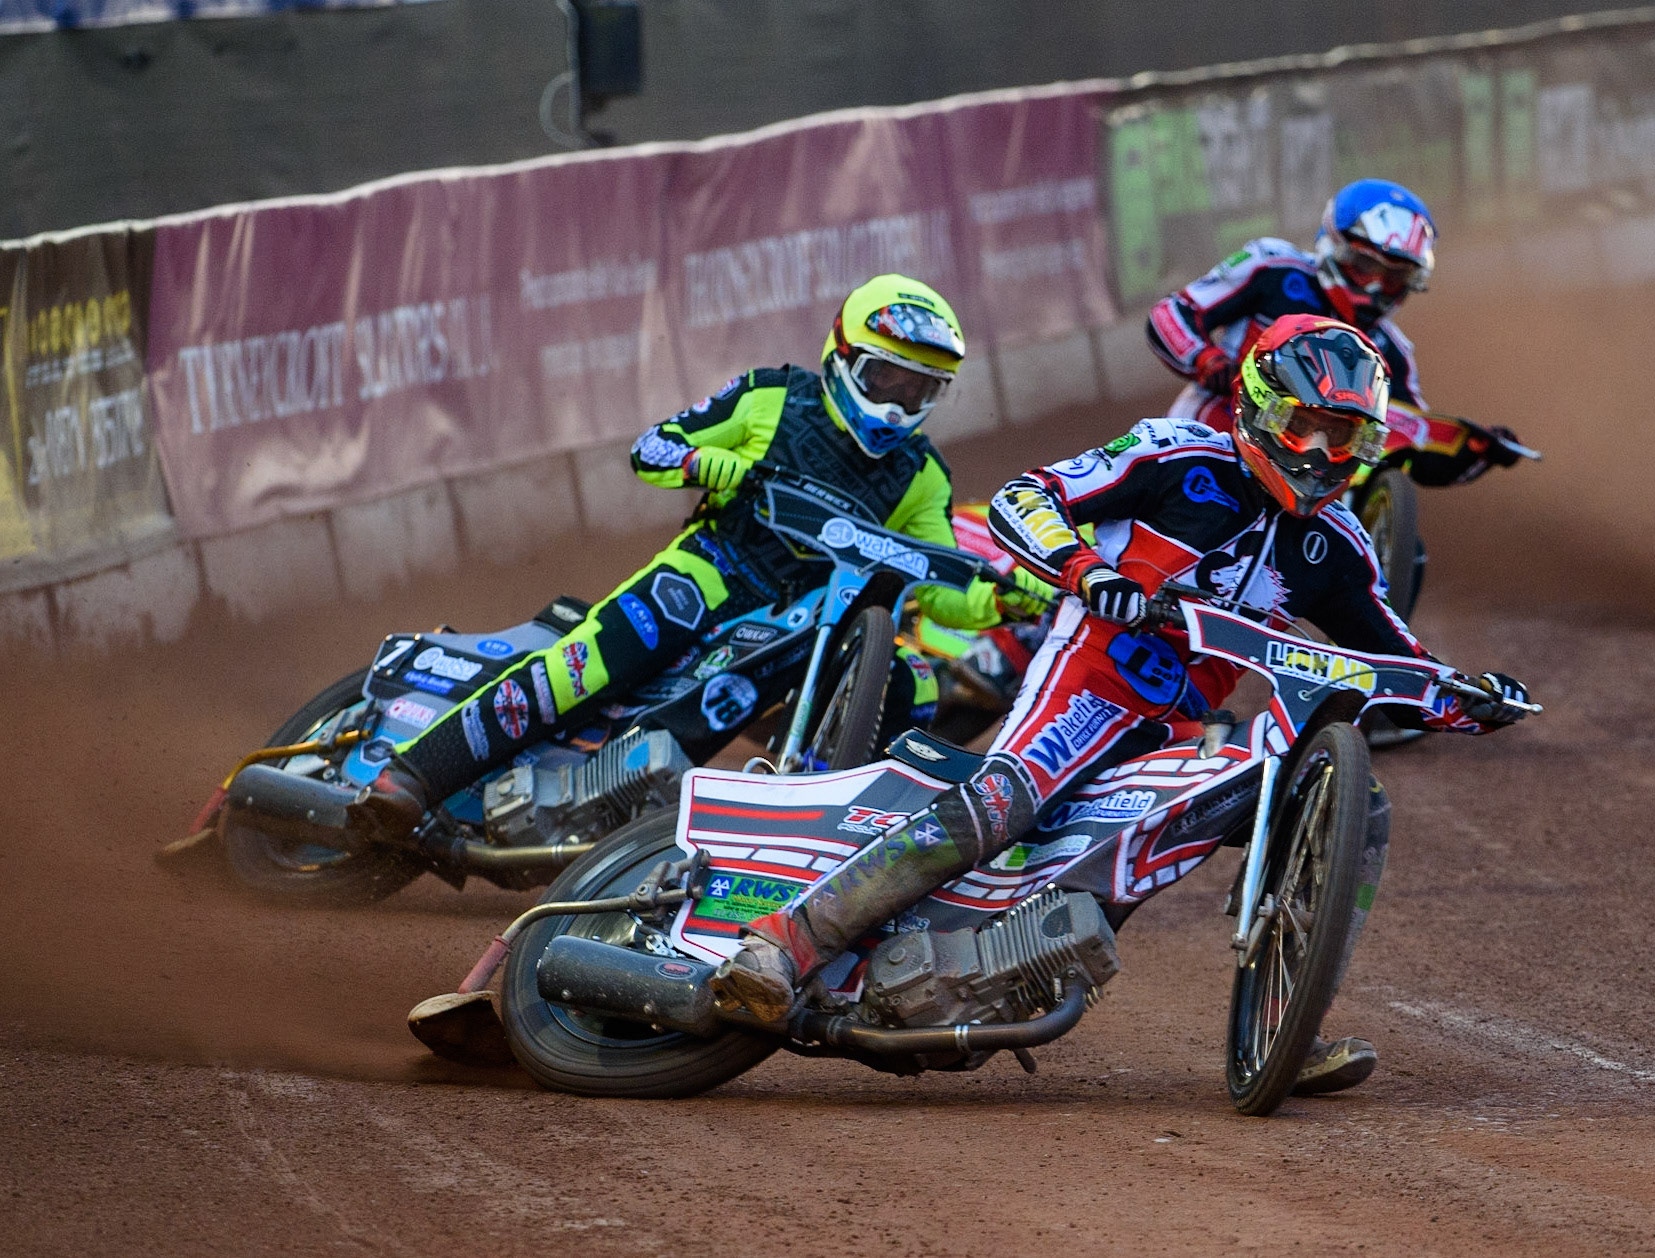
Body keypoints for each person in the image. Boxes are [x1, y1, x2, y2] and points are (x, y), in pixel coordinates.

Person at [711, 315, 1532, 1096]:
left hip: (1174, 725)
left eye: (1343, 434)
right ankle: (784, 943)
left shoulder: (1335, 547)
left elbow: (1396, 660)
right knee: (1005, 800)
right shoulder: (1177, 457)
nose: (1320, 451)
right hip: (1090, 676)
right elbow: (1024, 499)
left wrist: (1468, 696)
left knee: (1339, 806)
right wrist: (1084, 572)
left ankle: (1290, 1016)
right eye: (1305, 425)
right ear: (1257, 406)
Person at [340, 275, 1014, 845]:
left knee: (886, 685)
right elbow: (653, 448)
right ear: (843, 357)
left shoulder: (922, 474)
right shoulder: (770, 397)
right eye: (886, 378)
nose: (898, 404)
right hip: (706, 573)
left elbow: (941, 580)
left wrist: (1001, 597)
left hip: (789, 627)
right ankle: (414, 776)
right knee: (590, 667)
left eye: (920, 391)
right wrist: (707, 460)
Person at [1147, 177, 1522, 486]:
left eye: (1394, 278)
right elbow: (1173, 313)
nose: (1375, 287)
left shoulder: (1393, 351)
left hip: (1314, 477)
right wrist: (1205, 358)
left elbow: (1410, 446)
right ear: (1335, 244)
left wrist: (1474, 450)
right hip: (1217, 432)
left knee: (1403, 546)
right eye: (1365, 265)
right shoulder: (1272, 267)